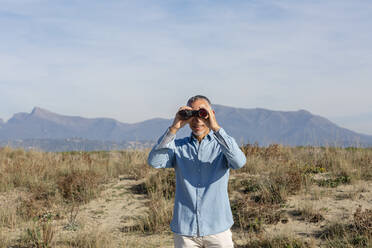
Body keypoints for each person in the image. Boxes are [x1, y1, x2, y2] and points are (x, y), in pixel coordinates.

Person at [147, 95, 246, 248]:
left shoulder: (222, 146)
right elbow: (155, 162)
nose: (197, 120)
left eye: (202, 113)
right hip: (185, 230)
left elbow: (239, 162)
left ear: (211, 113)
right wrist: (174, 128)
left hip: (217, 228)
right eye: (192, 115)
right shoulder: (178, 146)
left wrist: (215, 127)